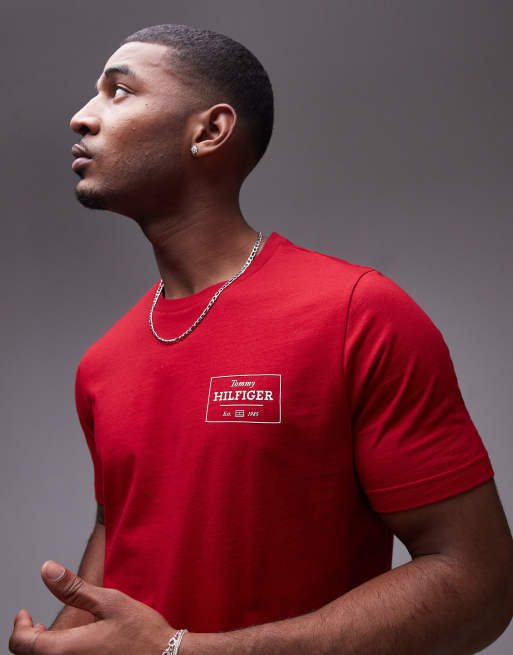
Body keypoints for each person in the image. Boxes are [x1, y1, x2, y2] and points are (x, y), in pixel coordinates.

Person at [10, 23, 513, 655]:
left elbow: (478, 583)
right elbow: (123, 535)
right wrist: (62, 641)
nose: (81, 117)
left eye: (119, 92)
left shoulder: (357, 313)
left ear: (210, 131)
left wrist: (182, 651)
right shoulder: (102, 364)